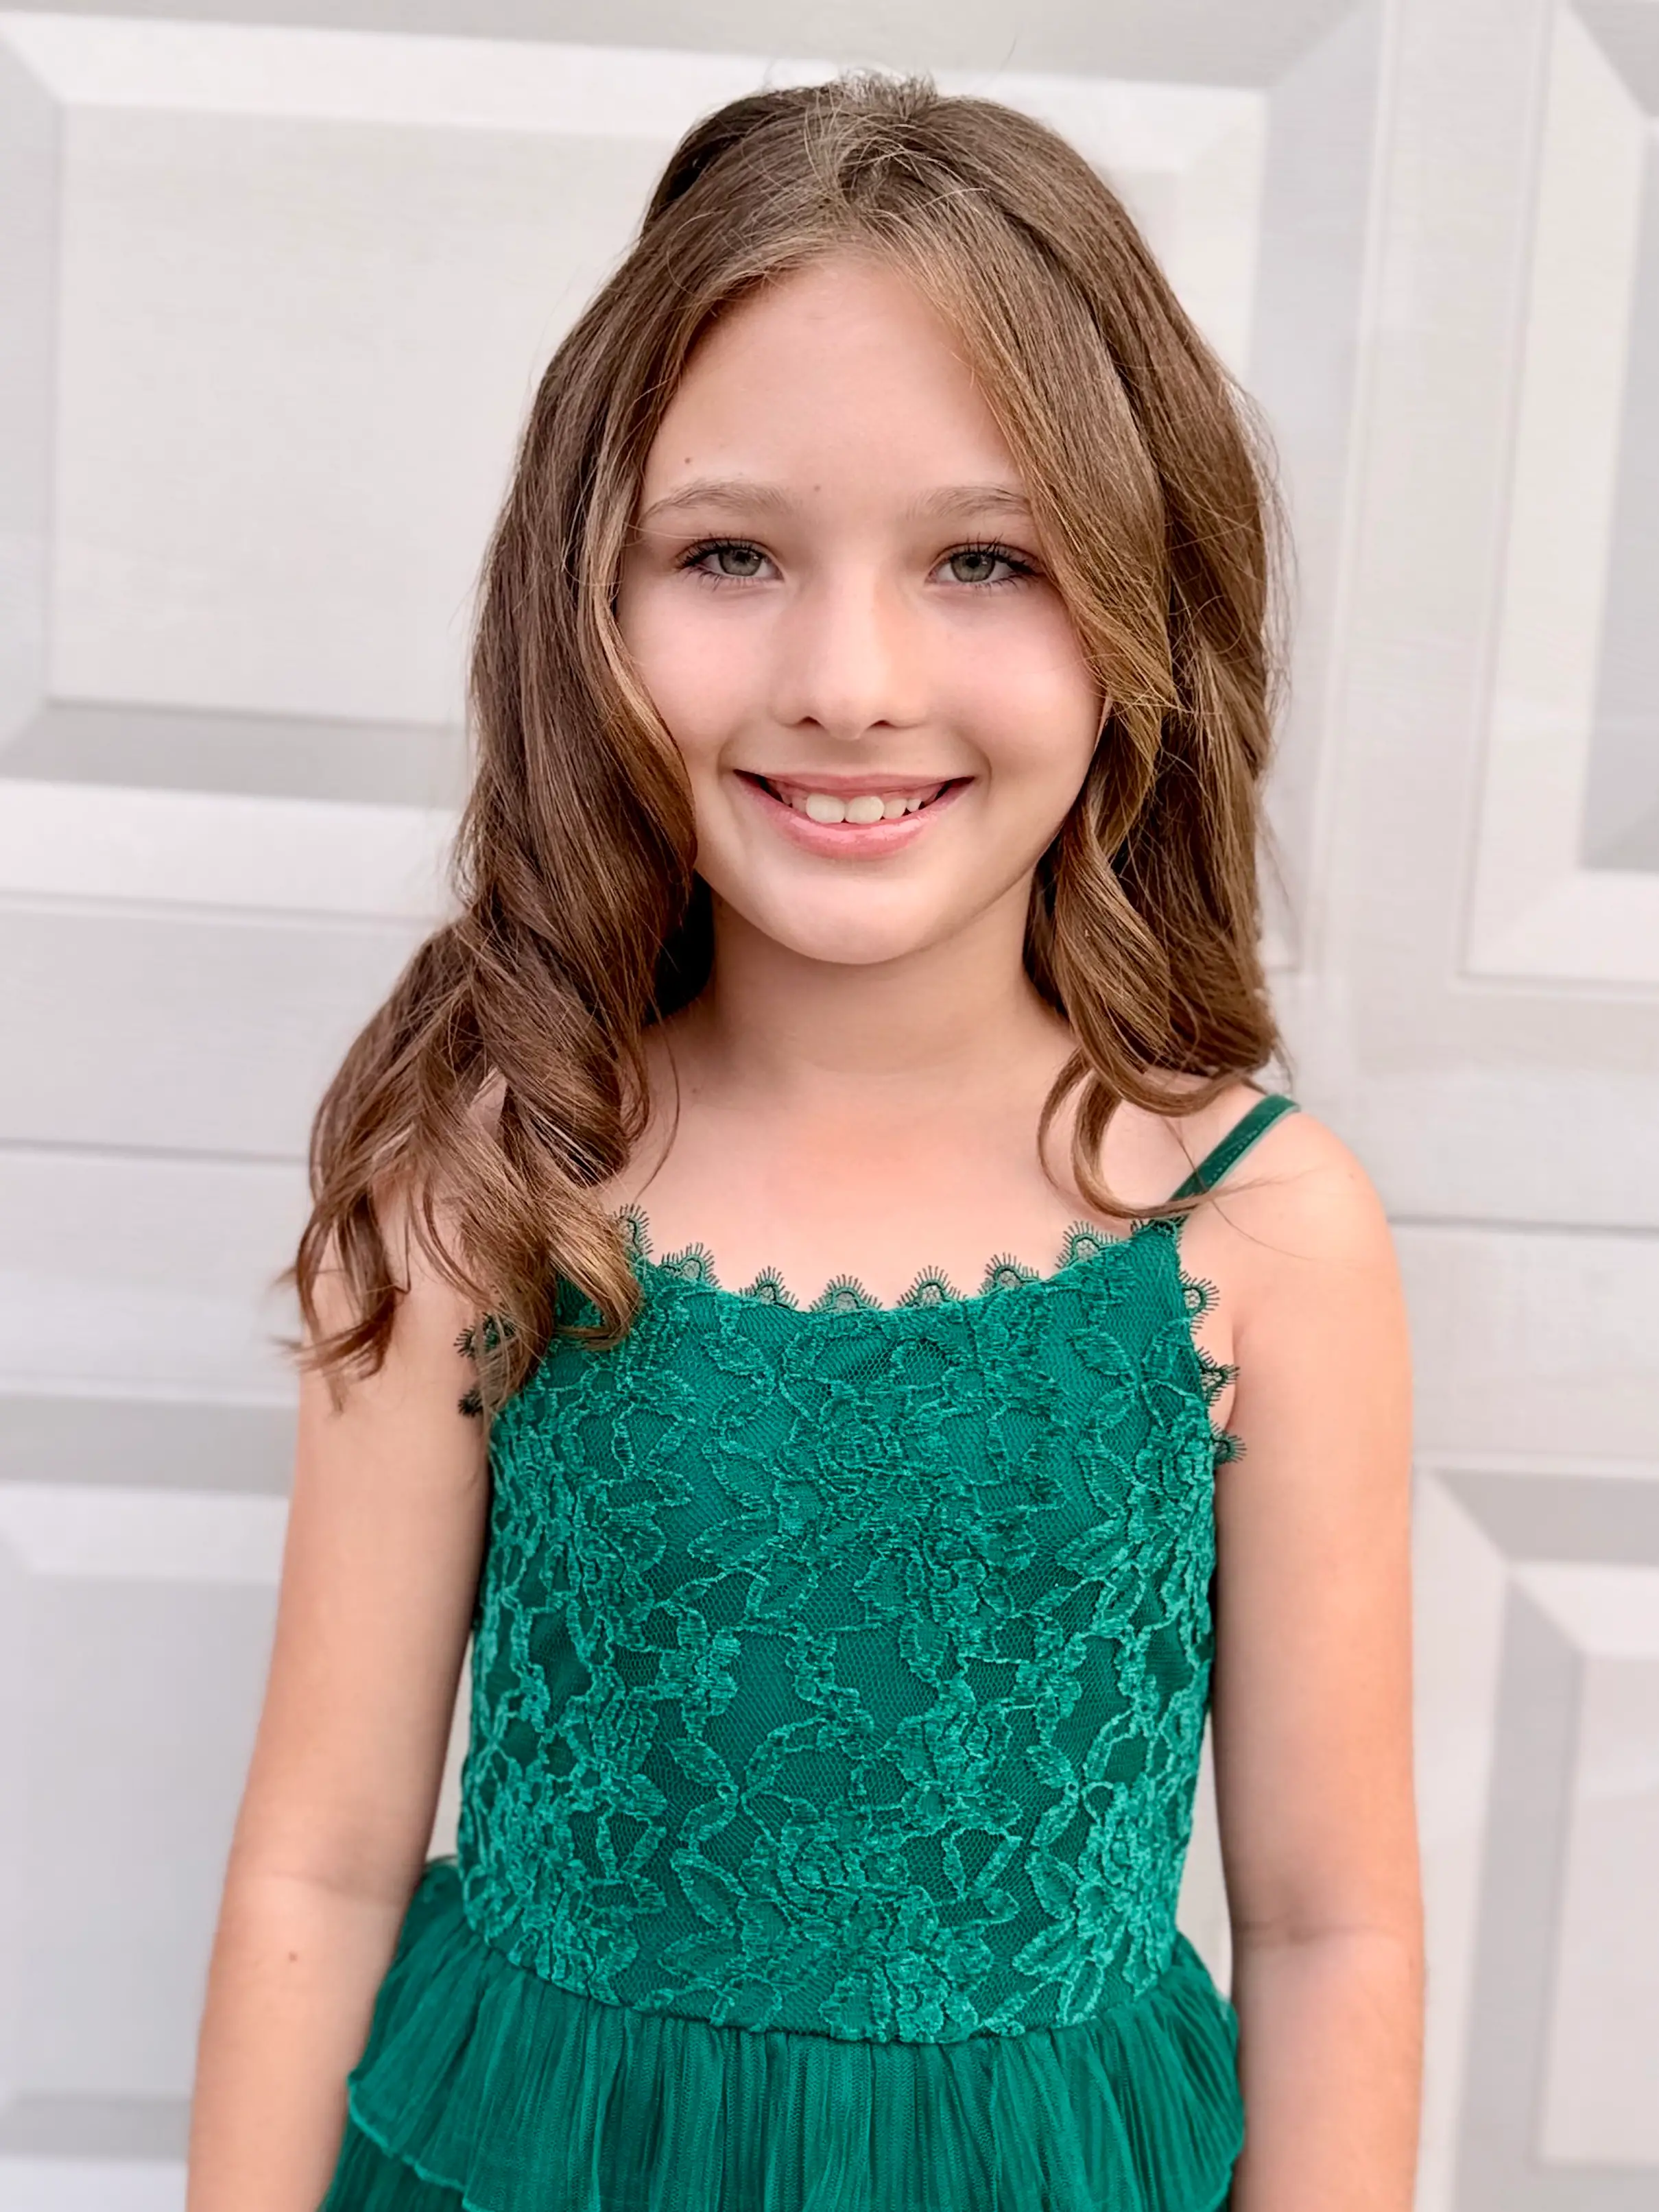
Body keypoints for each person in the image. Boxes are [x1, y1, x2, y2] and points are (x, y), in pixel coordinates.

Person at [186, 71, 1422, 2212]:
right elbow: (318, 1859)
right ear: (586, 595)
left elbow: (1332, 1930)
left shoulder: (1266, 1236)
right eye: (732, 553)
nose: (850, 678)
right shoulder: (488, 1188)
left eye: (983, 559)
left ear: (1147, 610)